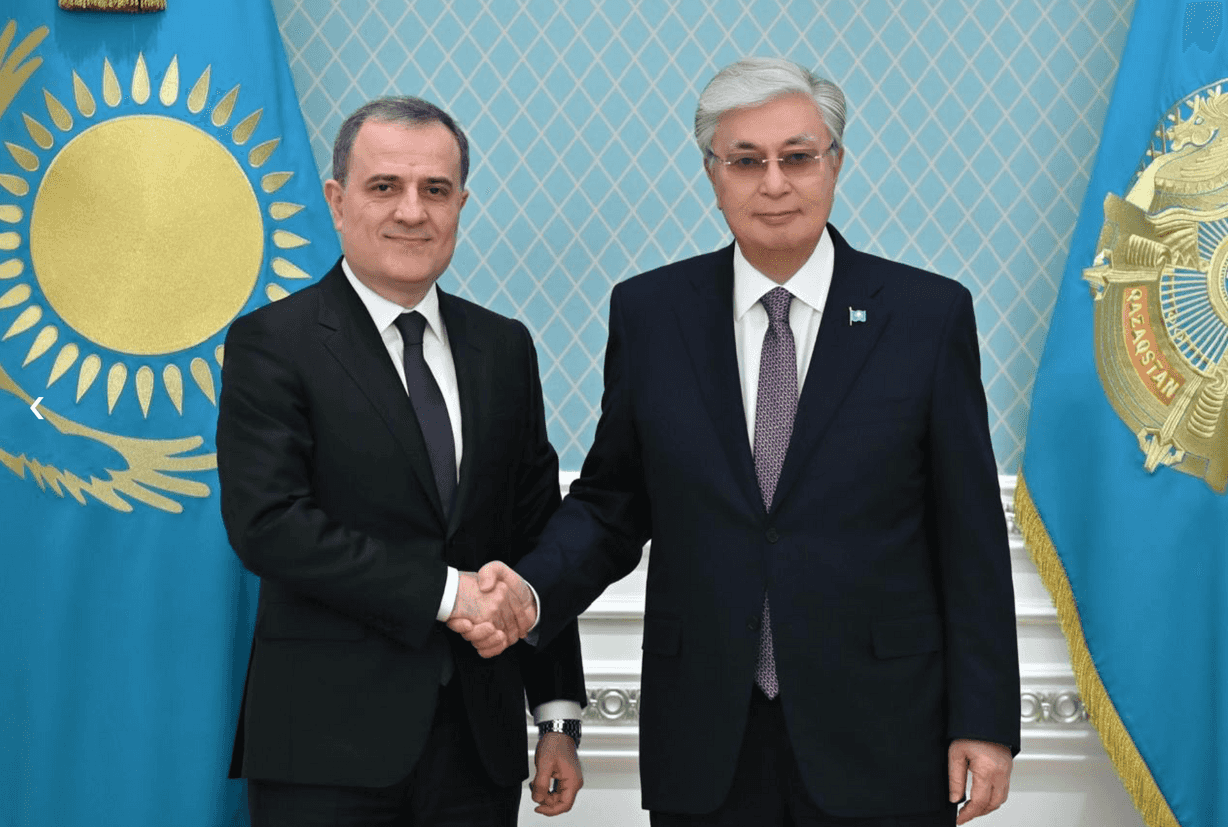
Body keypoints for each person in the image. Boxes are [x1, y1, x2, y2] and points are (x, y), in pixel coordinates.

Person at [454, 58, 1020, 826]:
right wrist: (527, 589)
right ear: (713, 175)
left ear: (836, 164)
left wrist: (984, 720)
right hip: (707, 734)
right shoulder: (652, 313)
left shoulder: (926, 316)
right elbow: (615, 501)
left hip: (884, 730)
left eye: (797, 156)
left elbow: (971, 539)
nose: (774, 183)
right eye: (746, 161)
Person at [216, 96, 586, 827]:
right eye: (384, 186)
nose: (412, 212)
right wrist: (448, 593)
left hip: (476, 750)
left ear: (460, 205)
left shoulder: (503, 349)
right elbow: (269, 524)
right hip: (323, 747)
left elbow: (536, 537)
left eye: (435, 190)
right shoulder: (272, 343)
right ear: (338, 200)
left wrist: (556, 714)